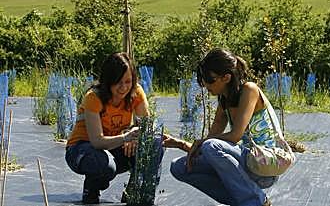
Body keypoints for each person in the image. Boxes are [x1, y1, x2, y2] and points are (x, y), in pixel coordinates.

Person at [164, 48, 278, 206]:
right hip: (246, 164)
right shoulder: (224, 101)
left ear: (226, 77)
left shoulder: (249, 90)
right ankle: (244, 200)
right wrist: (181, 144)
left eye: (209, 79)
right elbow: (208, 149)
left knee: (211, 145)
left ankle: (256, 202)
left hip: (264, 164)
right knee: (179, 167)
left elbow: (234, 136)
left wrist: (203, 142)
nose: (204, 84)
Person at [65, 52, 161, 204]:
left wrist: (135, 138)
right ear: (108, 81)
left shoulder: (136, 92)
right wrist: (126, 137)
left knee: (154, 143)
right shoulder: (93, 98)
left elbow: (147, 127)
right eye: (118, 82)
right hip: (82, 150)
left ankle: (135, 192)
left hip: (114, 146)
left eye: (128, 81)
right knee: (105, 165)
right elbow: (97, 141)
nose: (123, 88)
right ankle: (92, 188)